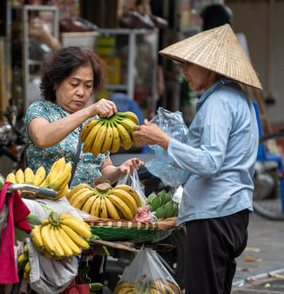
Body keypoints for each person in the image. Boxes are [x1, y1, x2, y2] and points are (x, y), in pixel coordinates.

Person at [132, 24, 261, 293]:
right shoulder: (235, 98)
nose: (184, 72)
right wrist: (161, 142)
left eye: (189, 65)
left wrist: (163, 140)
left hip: (215, 215)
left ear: (210, 68)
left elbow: (209, 162)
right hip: (230, 213)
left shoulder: (219, 103)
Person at [24, 46, 144, 292]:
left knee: (88, 283)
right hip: (51, 220)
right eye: (74, 83)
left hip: (89, 220)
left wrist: (120, 171)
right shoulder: (40, 111)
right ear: (56, 82)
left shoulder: (96, 124)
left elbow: (103, 170)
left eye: (88, 86)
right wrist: (89, 110)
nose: (81, 92)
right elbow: (43, 138)